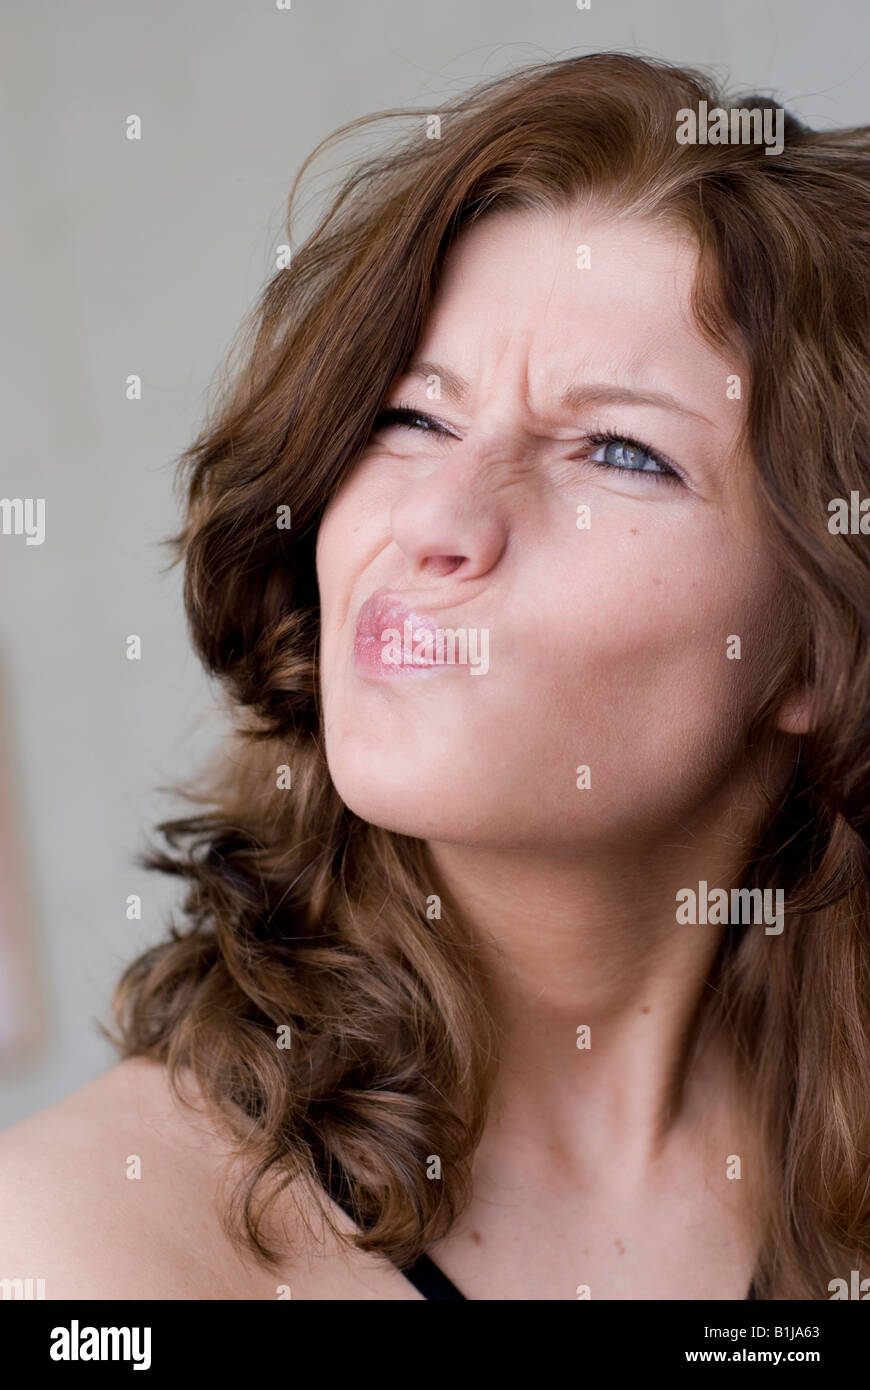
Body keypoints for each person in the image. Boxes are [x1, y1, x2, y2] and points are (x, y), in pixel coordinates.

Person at [2, 51, 869, 1300]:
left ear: (818, 636)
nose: (439, 518)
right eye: (413, 418)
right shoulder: (78, 1253)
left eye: (620, 450)